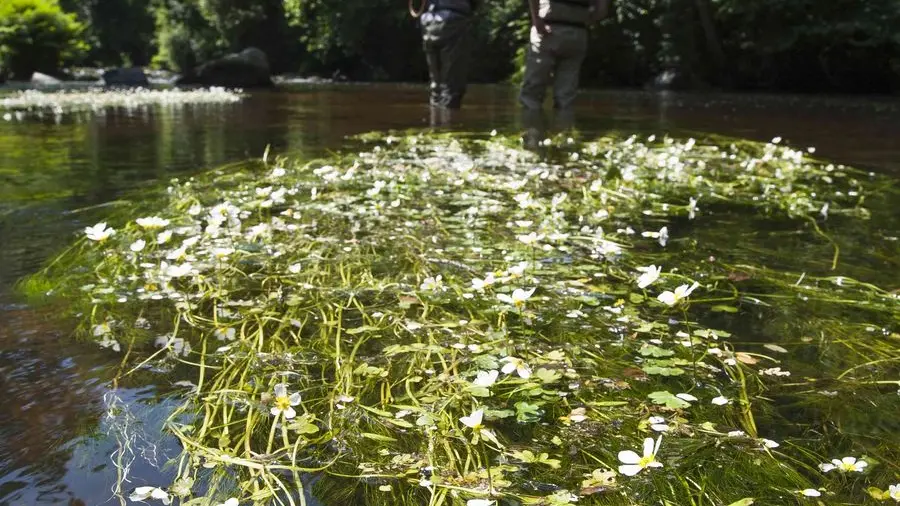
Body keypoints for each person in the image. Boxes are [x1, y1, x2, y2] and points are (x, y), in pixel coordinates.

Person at [519, 0, 610, 111]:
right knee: (566, 95)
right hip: (577, 31)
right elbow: (601, 10)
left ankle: (531, 124)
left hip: (548, 28)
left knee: (532, 92)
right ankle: (564, 125)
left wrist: (536, 19)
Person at [414, 0, 478, 109]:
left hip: (429, 21)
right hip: (453, 20)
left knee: (436, 85)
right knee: (452, 85)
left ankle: (435, 119)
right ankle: (448, 121)